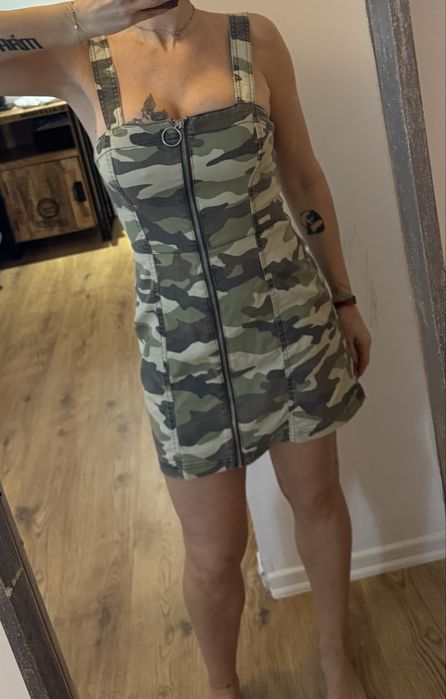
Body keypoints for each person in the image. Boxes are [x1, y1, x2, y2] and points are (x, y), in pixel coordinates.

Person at [0, 2, 372, 697]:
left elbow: (302, 177)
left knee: (319, 499)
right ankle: (222, 686)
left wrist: (344, 298)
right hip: (181, 353)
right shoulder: (76, 57)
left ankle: (334, 659)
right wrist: (80, 16)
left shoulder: (253, 38)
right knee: (212, 552)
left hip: (291, 322)